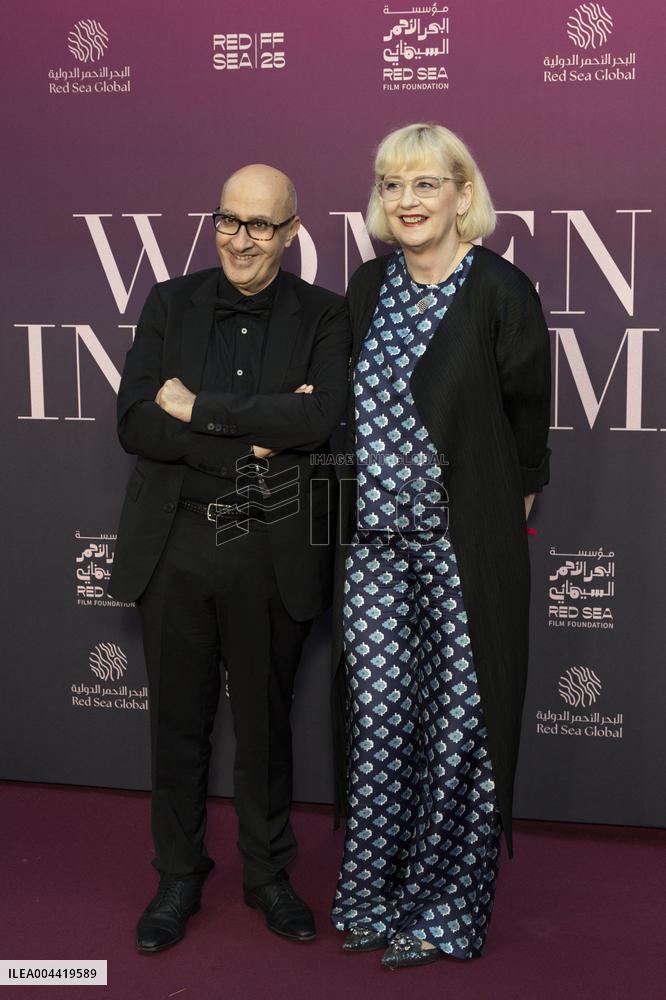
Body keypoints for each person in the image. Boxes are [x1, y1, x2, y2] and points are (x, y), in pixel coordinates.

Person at [108, 164, 350, 953]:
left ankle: (268, 874)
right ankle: (177, 875)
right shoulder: (168, 302)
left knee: (266, 727)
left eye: (261, 225)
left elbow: (319, 419)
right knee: (178, 725)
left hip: (270, 546)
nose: (242, 240)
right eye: (229, 221)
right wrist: (250, 440)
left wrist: (198, 409)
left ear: (291, 231)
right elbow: (136, 422)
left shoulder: (325, 314)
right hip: (175, 544)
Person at [330, 124, 551, 968]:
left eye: (426, 183)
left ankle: (441, 914)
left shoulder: (501, 290)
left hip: (464, 548)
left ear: (463, 193)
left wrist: (500, 507)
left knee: (462, 726)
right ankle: (373, 897)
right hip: (375, 547)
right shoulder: (368, 287)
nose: (407, 200)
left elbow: (527, 424)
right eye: (392, 184)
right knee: (382, 718)